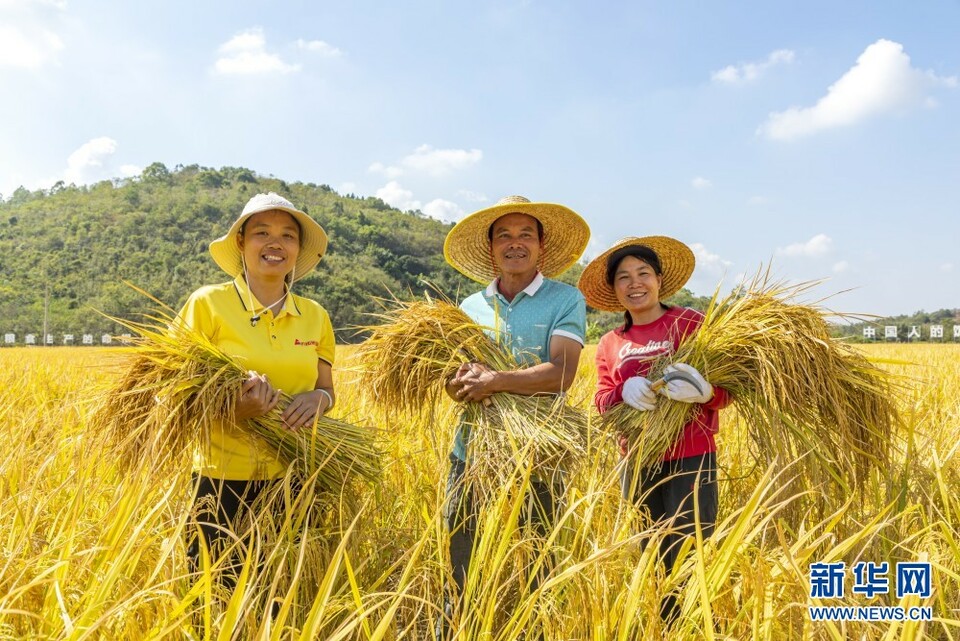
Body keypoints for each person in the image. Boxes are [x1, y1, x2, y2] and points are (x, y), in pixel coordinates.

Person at [438, 195, 590, 636]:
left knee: (538, 556)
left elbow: (562, 373)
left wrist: (495, 381)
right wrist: (461, 383)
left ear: (541, 246)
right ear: (491, 248)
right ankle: (458, 629)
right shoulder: (469, 307)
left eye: (526, 234)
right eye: (504, 235)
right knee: (460, 553)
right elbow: (452, 380)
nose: (515, 243)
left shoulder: (565, 299)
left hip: (538, 453)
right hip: (471, 451)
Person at [179, 192, 336, 586]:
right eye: (261, 232)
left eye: (288, 235)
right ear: (241, 243)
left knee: (284, 601)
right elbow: (171, 395)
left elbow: (328, 390)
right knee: (215, 603)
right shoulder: (207, 305)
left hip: (296, 478)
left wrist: (320, 399)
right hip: (221, 483)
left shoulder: (315, 316)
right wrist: (230, 411)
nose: (275, 243)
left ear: (298, 249)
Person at [577, 236, 731, 623]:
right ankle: (660, 625)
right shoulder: (611, 342)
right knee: (647, 550)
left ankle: (696, 626)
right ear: (614, 290)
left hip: (691, 457)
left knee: (692, 549)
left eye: (643, 273)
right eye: (624, 277)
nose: (635, 283)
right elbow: (600, 400)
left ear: (660, 279)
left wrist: (706, 393)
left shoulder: (690, 323)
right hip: (638, 460)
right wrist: (621, 394)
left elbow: (730, 390)